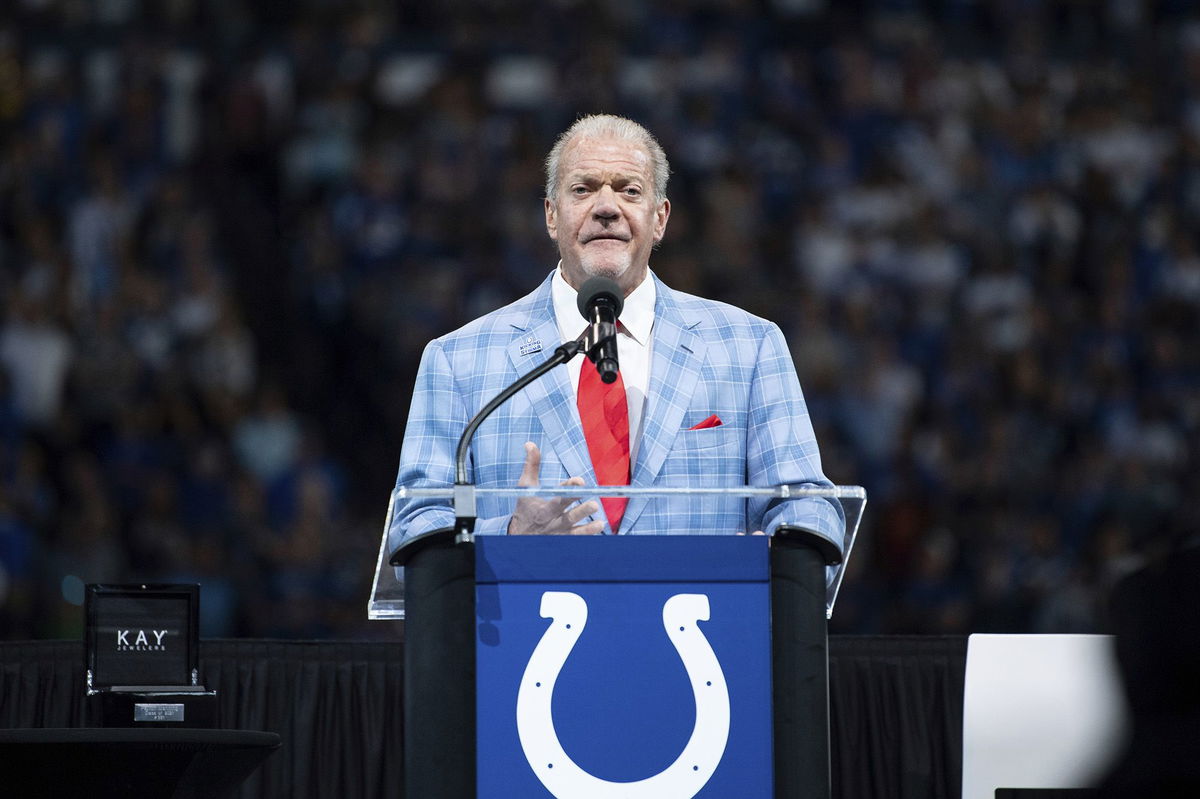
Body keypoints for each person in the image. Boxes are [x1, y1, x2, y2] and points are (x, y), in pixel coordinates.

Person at [388, 114, 844, 567]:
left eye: (629, 190)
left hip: (699, 633)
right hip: (530, 635)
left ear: (660, 218)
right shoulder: (458, 360)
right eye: (583, 189)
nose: (606, 207)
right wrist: (507, 537)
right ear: (551, 215)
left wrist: (776, 558)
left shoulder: (750, 347)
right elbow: (415, 526)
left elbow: (808, 508)